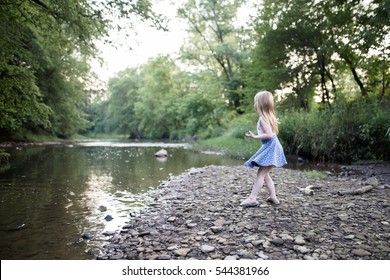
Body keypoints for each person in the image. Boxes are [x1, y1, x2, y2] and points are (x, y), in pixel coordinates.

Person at [241, 91, 287, 207]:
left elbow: (269, 134)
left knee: (261, 173)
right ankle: (273, 197)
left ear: (260, 104)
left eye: (255, 102)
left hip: (271, 147)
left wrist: (255, 136)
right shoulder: (269, 117)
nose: (254, 104)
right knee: (265, 174)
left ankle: (252, 198)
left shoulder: (263, 118)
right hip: (272, 146)